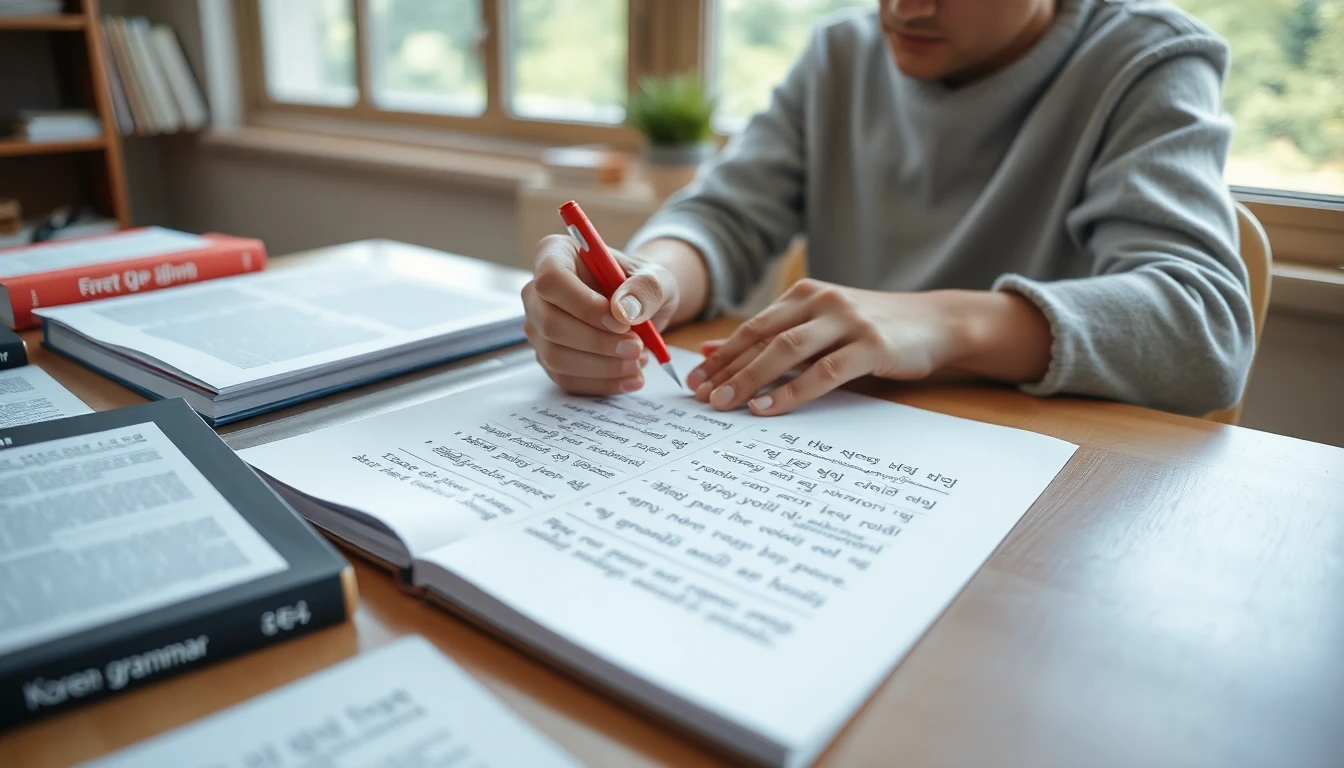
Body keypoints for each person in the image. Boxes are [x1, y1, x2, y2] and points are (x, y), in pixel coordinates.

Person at [521, 0, 1254, 417]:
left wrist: (939, 323)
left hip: (1039, 495)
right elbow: (724, 216)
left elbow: (1204, 326)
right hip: (829, 455)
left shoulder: (1146, 60)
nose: (905, 7)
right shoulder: (842, 52)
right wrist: (652, 278)